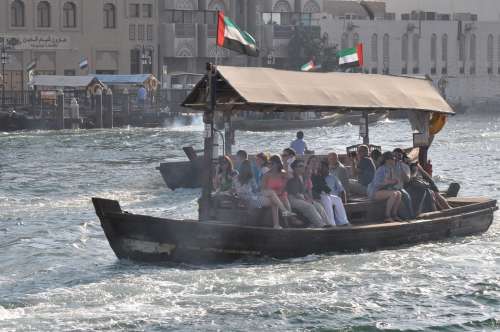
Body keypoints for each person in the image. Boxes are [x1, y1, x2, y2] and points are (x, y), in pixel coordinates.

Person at [233, 160, 291, 229]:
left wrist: (261, 186)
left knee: (272, 195)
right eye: (249, 167)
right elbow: (237, 192)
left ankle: (278, 221)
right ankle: (281, 217)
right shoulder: (237, 178)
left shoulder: (250, 178)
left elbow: (256, 189)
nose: (249, 169)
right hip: (249, 200)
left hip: (254, 198)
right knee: (273, 198)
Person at [286, 160, 328, 227]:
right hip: (292, 199)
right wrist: (306, 200)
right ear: (295, 168)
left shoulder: (301, 177)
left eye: (303, 166)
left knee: (318, 206)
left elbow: (303, 191)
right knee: (309, 206)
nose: (303, 168)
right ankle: (321, 225)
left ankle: (328, 224)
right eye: (300, 166)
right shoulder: (291, 176)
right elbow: (295, 193)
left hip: (300, 198)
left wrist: (309, 199)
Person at [367, 151, 403, 223]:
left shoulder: (390, 169)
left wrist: (394, 182)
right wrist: (389, 182)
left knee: (399, 193)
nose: (394, 160)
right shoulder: (381, 169)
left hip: (382, 191)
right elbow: (377, 184)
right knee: (393, 194)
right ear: (387, 160)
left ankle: (394, 214)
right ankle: (387, 216)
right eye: (393, 159)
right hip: (374, 191)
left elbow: (389, 184)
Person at [312, 161, 350, 227]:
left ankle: (343, 222)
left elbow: (342, 190)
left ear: (327, 167)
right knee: (327, 199)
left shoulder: (333, 177)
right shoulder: (316, 176)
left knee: (338, 199)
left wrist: (345, 202)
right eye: (320, 167)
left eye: (322, 167)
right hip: (320, 196)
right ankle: (331, 223)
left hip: (331, 196)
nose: (320, 168)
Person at [392, 148, 415, 220]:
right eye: (394, 155)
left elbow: (407, 180)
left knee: (407, 197)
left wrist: (401, 167)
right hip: (389, 187)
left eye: (398, 155)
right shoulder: (389, 165)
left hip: (399, 188)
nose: (396, 157)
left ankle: (410, 215)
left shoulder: (405, 166)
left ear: (402, 156)